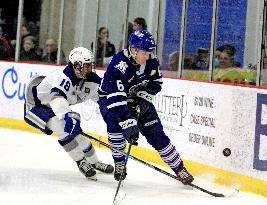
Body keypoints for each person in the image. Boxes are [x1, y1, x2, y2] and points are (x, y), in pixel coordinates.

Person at [97, 30, 194, 184]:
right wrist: (128, 123)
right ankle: (120, 162)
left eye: (150, 52)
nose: (148, 56)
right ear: (133, 50)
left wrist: (143, 99)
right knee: (115, 126)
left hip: (137, 98)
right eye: (145, 52)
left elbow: (157, 83)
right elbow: (116, 100)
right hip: (112, 100)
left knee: (156, 134)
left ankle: (179, 168)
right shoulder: (118, 65)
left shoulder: (150, 61)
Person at [24, 47, 114, 180]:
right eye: (86, 65)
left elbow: (104, 97)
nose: (89, 69)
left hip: (55, 105)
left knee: (78, 135)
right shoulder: (64, 76)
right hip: (36, 106)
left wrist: (117, 111)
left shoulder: (92, 80)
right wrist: (69, 115)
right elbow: (56, 97)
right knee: (62, 129)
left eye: (90, 65)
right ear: (76, 65)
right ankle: (80, 161)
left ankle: (94, 162)